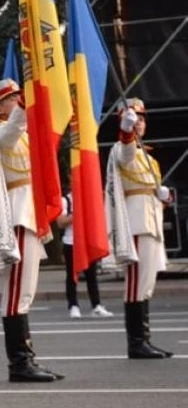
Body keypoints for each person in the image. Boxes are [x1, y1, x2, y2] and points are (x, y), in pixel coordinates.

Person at [0, 79, 63, 382]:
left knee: (25, 292)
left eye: (18, 97)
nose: (18, 101)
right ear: (0, 106)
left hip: (30, 214)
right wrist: (26, 104)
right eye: (13, 98)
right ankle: (19, 363)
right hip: (16, 216)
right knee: (16, 293)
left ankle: (26, 358)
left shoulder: (25, 134)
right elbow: (13, 130)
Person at [109, 99, 175, 359]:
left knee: (146, 284)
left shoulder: (149, 157)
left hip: (151, 222)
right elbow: (125, 152)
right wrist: (126, 131)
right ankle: (136, 343)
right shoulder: (121, 148)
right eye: (133, 117)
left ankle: (144, 339)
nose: (139, 122)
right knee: (135, 284)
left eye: (142, 118)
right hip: (136, 224)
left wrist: (164, 197)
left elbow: (153, 191)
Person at [55, 195, 110, 319]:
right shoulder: (66, 200)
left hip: (88, 242)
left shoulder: (90, 196)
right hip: (71, 242)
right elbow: (60, 222)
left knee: (92, 276)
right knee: (72, 276)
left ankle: (96, 305)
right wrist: (77, 215)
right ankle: (73, 305)